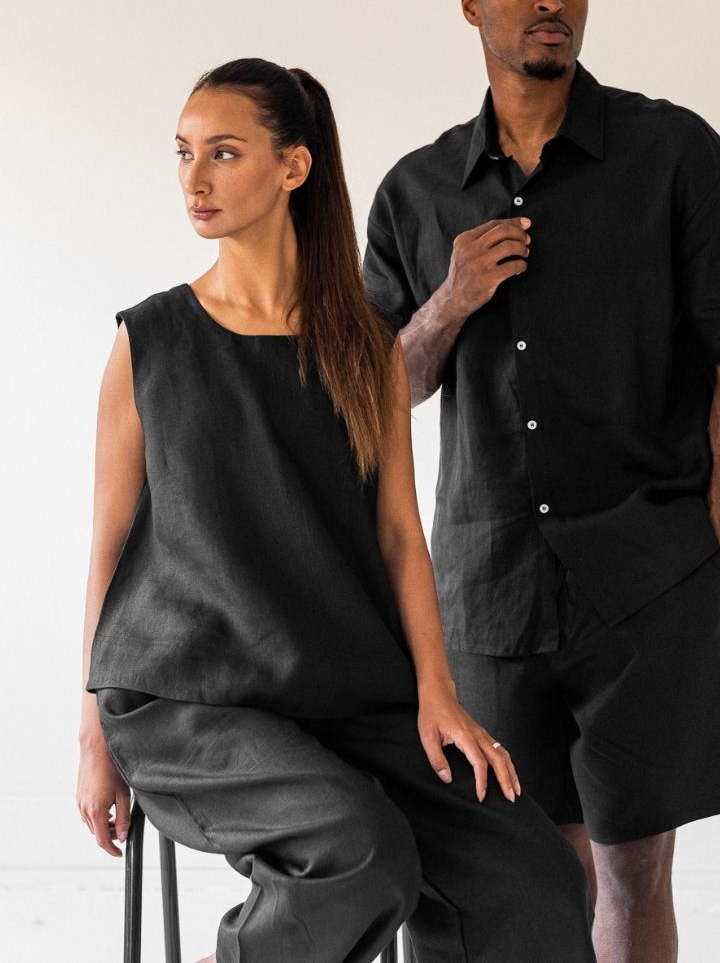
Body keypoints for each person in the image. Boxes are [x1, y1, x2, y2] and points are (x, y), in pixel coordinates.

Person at [363, 0, 720, 963]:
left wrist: (712, 543)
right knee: (529, 870)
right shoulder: (417, 191)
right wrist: (449, 301)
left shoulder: (673, 154)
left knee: (633, 869)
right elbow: (380, 391)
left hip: (647, 580)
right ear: (473, 4)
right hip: (488, 590)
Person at [76, 58, 594, 963]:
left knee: (533, 871)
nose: (195, 179)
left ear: (294, 166)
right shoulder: (151, 342)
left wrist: (439, 694)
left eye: (224, 153)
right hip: (187, 703)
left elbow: (399, 536)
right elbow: (108, 548)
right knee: (357, 849)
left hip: (343, 692)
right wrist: (92, 737)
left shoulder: (362, 347)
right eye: (184, 153)